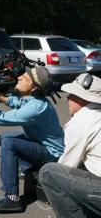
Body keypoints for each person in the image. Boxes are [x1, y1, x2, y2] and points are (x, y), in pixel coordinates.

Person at [0, 65, 64, 213]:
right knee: (7, 136)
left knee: (9, 143)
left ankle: (11, 198)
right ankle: (28, 168)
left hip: (52, 154)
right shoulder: (34, 98)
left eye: (25, 78)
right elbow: (15, 102)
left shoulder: (36, 107)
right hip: (42, 145)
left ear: (33, 88)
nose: (20, 77)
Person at [39, 73, 101, 218]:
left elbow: (68, 165)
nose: (67, 98)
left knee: (50, 173)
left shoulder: (81, 121)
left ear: (82, 98)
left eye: (72, 95)